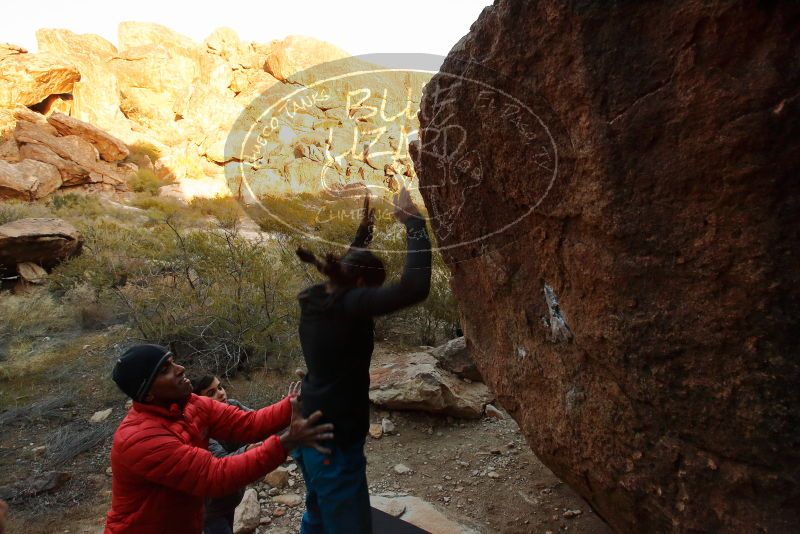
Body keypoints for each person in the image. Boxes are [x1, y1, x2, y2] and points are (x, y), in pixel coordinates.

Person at [293, 187, 432, 534]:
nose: (373, 298)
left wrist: (366, 221)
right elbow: (415, 287)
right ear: (358, 284)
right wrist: (414, 224)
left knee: (318, 515)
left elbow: (352, 258)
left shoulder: (322, 295)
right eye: (372, 289)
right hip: (334, 446)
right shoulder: (348, 306)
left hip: (314, 430)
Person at [104, 344, 333, 534]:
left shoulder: (190, 404)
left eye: (173, 362)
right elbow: (214, 475)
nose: (180, 369)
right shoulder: (142, 439)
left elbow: (248, 424)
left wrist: (298, 401)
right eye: (165, 370)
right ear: (148, 393)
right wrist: (288, 441)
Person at [192, 375, 263, 534]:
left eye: (220, 387)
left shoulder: (232, 406)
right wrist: (246, 451)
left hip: (230, 498)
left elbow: (257, 421)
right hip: (210, 507)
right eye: (211, 393)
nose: (221, 393)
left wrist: (289, 409)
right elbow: (220, 464)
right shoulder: (199, 429)